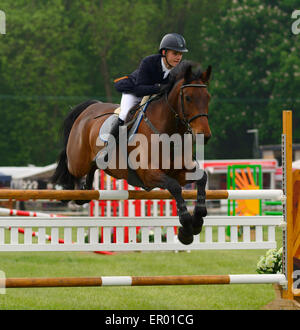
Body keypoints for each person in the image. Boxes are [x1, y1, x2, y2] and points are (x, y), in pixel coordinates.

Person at [110, 33, 188, 141]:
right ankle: (109, 147)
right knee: (124, 114)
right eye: (175, 53)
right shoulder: (149, 62)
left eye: (180, 54)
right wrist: (160, 88)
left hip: (153, 96)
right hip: (134, 91)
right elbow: (139, 90)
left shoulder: (178, 70)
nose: (178, 57)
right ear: (164, 52)